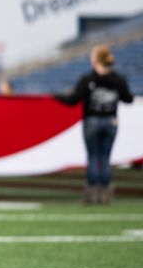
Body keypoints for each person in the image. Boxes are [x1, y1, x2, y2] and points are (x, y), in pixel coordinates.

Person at [55, 44, 133, 205]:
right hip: (111, 121)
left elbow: (72, 100)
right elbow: (128, 99)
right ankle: (105, 196)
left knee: (93, 157)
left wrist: (55, 97)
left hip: (91, 121)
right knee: (105, 158)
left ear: (95, 61)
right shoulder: (118, 79)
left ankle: (91, 196)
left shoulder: (88, 79)